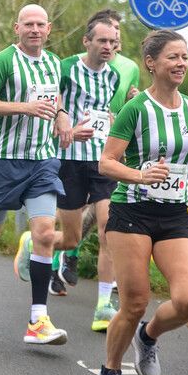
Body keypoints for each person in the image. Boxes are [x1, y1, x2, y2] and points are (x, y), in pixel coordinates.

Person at [0, 5, 77, 346]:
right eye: (28, 24)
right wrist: (24, 107)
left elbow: (57, 97)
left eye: (40, 24)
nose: (35, 30)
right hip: (5, 161)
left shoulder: (54, 63)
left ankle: (38, 320)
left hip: (42, 161)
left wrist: (62, 116)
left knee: (45, 232)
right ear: (16, 28)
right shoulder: (4, 61)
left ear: (49, 29)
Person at [91, 30, 188, 375]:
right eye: (173, 58)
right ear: (152, 63)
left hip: (175, 212)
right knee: (134, 302)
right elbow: (106, 163)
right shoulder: (136, 109)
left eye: (184, 57)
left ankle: (147, 337)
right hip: (131, 210)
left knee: (186, 300)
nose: (181, 64)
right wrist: (140, 174)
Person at [50, 17, 121, 336]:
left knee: (109, 227)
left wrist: (110, 118)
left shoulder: (115, 76)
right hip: (69, 160)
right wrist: (62, 119)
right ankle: (34, 244)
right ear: (86, 42)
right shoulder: (65, 68)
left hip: (101, 161)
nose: (108, 47)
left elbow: (104, 108)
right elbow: (51, 101)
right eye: (103, 41)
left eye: (113, 42)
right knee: (71, 238)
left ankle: (104, 305)